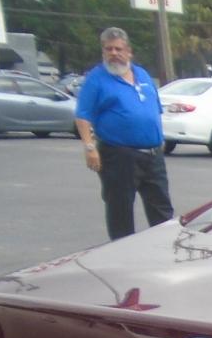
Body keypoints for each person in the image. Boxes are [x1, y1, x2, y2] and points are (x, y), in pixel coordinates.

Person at [74, 28, 174, 240]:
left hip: (152, 154)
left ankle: (166, 250)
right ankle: (122, 257)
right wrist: (89, 147)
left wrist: (159, 138)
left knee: (162, 209)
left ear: (128, 51)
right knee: (120, 209)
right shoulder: (97, 79)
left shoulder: (142, 74)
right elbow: (83, 115)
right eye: (108, 49)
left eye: (118, 49)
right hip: (119, 155)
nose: (113, 53)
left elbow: (154, 109)